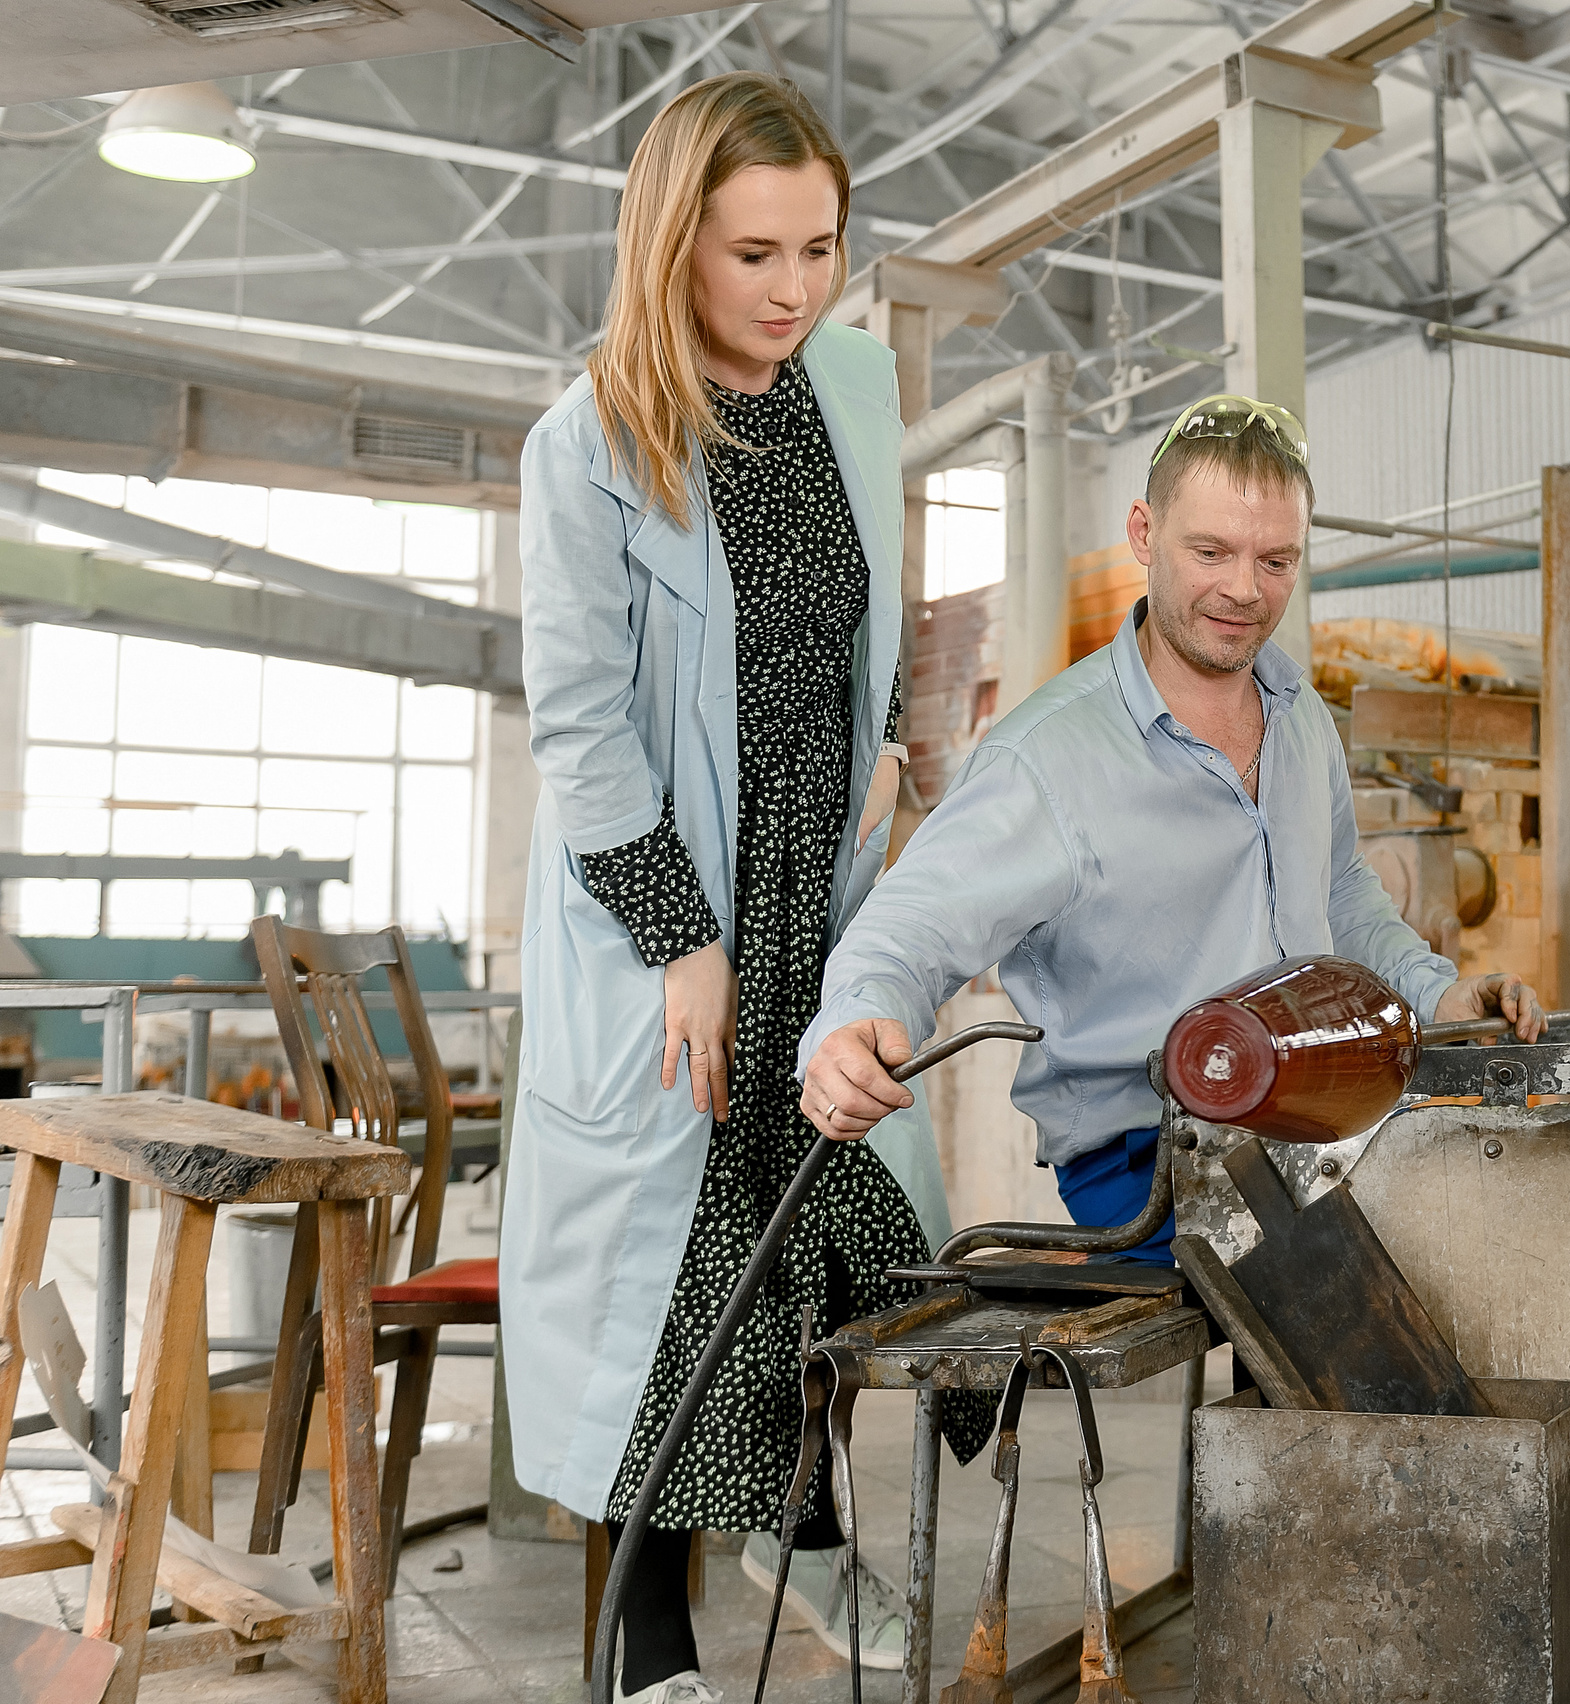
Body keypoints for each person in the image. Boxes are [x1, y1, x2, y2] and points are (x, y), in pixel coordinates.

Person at [499, 73, 987, 1704]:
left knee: (847, 1212)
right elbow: (578, 726)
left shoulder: (847, 383)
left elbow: (881, 618)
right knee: (684, 1263)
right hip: (670, 908)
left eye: (821, 249)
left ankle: (799, 1506)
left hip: (820, 881)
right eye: (754, 253)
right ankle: (645, 1647)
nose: (793, 290)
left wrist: (903, 770)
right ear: (672, 244)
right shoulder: (591, 441)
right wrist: (682, 942)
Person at [792, 393, 1548, 1257]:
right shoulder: (1050, 759)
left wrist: (1439, 993)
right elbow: (907, 928)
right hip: (1147, 1154)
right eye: (1211, 552)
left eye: (1275, 561)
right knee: (1372, 1277)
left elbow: (1341, 893)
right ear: (1145, 535)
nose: (1243, 590)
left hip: (1302, 1111)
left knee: (1500, 1201)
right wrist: (854, 1022)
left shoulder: (1298, 717)